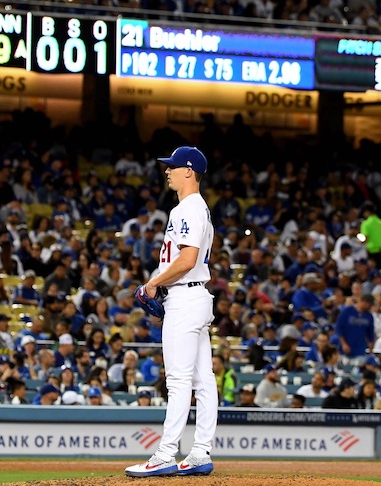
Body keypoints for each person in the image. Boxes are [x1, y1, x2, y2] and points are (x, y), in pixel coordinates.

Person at [125, 146, 215, 477]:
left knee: (179, 380)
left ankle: (165, 453)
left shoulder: (188, 208)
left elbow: (187, 260)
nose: (167, 171)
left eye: (172, 166)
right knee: (203, 380)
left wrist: (153, 283)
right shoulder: (197, 209)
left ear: (188, 171)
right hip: (196, 297)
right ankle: (200, 452)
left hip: (184, 298)